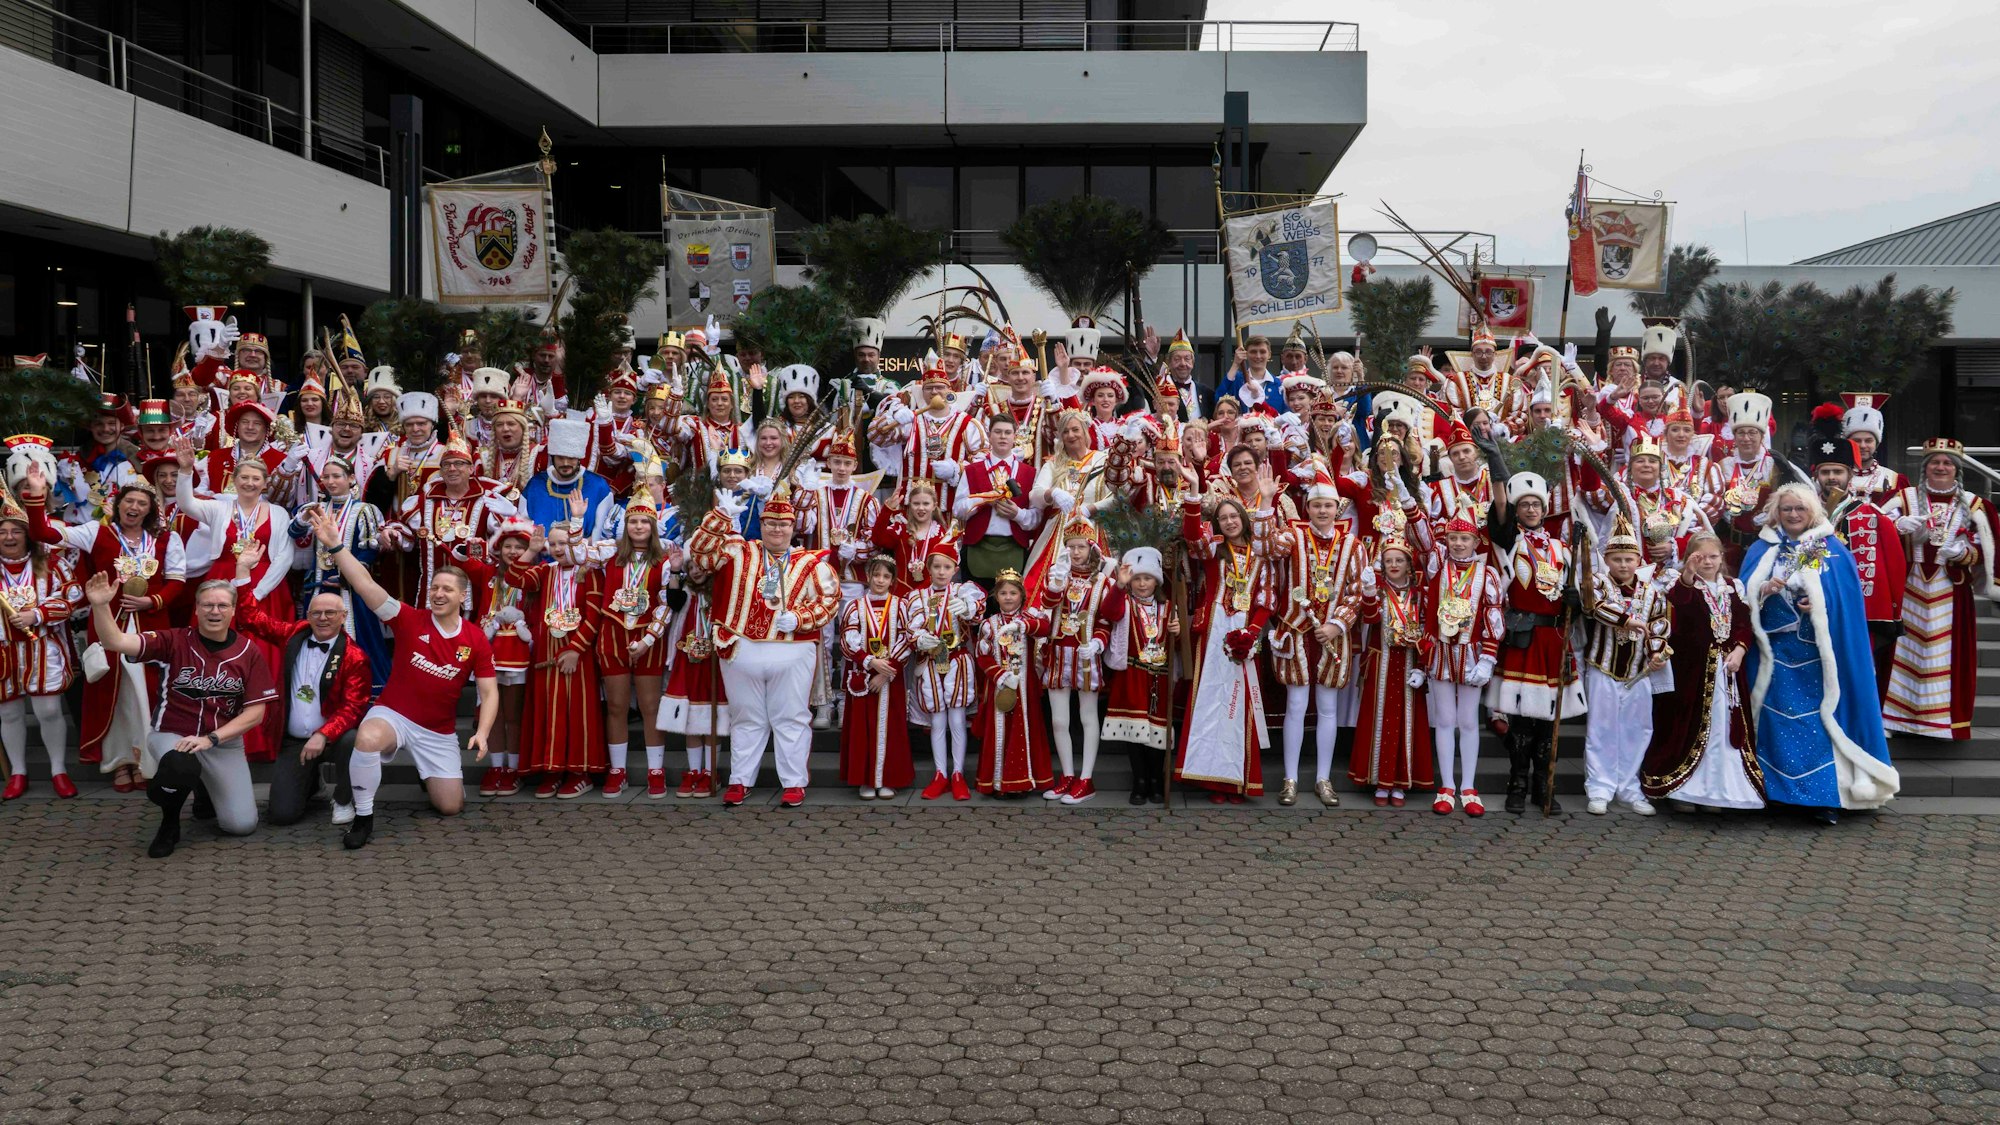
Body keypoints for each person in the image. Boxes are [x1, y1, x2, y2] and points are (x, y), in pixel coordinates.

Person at [305, 506, 499, 849]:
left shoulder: (475, 638)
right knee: (367, 738)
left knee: (450, 806)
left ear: (462, 596)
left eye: (447, 589)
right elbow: (364, 584)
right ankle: (363, 817)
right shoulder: (408, 618)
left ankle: (430, 776)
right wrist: (335, 545)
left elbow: (489, 691)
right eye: (435, 588)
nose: (438, 594)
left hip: (437, 732)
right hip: (394, 716)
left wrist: (482, 733)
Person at [84, 572, 275, 858]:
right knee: (180, 764)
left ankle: (203, 787)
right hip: (172, 735)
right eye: (207, 605)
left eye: (222, 605)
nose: (214, 611)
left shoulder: (249, 651)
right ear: (196, 609)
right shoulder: (174, 640)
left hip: (221, 742)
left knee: (241, 825)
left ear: (233, 610)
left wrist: (211, 739)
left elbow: (255, 713)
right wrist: (100, 605)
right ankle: (169, 823)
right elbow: (115, 642)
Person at [20, 467, 186, 793]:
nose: (134, 507)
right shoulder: (96, 531)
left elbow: (177, 582)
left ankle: (147, 760)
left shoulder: (166, 539)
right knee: (114, 692)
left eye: (142, 503)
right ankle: (119, 762)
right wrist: (36, 495)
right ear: (118, 504)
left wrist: (151, 601)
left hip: (152, 627)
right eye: (129, 501)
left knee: (149, 693)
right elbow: (43, 533)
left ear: (150, 510)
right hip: (109, 624)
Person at [1742, 484, 1900, 823]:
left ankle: (1823, 798)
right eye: (1787, 509)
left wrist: (1819, 606)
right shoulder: (1761, 548)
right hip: (1773, 655)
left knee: (1818, 724)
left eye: (1800, 508)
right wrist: (1762, 591)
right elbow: (1741, 597)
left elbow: (1845, 602)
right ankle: (1776, 794)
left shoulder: (1830, 549)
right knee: (1774, 723)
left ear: (1812, 511)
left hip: (1817, 658)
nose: (1793, 514)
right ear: (1776, 513)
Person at [686, 485, 842, 808]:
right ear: (761, 523)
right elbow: (701, 556)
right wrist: (719, 518)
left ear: (793, 527)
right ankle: (740, 780)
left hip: (792, 650)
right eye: (770, 523)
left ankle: (794, 783)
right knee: (745, 718)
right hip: (741, 648)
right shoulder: (737, 550)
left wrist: (800, 618)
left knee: (792, 717)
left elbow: (830, 600)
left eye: (783, 524)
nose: (776, 529)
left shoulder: (811, 562)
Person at [229, 541, 372, 826]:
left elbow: (353, 708)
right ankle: (312, 783)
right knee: (282, 815)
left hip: (332, 738)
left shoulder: (355, 656)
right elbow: (250, 618)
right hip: (294, 740)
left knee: (353, 740)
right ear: (307, 615)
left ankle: (344, 798)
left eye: (330, 613)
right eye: (316, 613)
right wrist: (243, 571)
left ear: (343, 616)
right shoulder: (294, 634)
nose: (323, 618)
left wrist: (323, 734)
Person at [174, 438, 293, 760]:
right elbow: (187, 504)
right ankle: (209, 728)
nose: (250, 483)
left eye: (256, 478)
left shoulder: (278, 513)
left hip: (265, 589)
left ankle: (258, 741)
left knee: (262, 658)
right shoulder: (219, 507)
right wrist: (185, 470)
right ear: (234, 480)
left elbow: (284, 557)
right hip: (221, 583)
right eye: (244, 477)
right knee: (214, 655)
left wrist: (254, 593)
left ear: (265, 483)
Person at [1882, 439, 2000, 740]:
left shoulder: (1974, 504)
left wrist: (1963, 554)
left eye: (1947, 463)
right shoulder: (1903, 499)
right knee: (1902, 653)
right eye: (1935, 462)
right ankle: (1894, 719)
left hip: (1951, 591)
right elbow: (1877, 534)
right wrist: (1897, 528)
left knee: (1943, 656)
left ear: (1957, 470)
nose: (1941, 467)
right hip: (1907, 588)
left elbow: (1987, 550)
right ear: (1925, 467)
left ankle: (1940, 722)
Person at [1640, 533, 1762, 812]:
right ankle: (1684, 790)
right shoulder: (1682, 583)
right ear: (1689, 559)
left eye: (1713, 556)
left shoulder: (1733, 586)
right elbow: (1679, 604)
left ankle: (1717, 790)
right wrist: (1688, 573)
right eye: (1700, 557)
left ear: (1722, 557)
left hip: (1727, 669)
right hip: (1691, 671)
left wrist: (1740, 650)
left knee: (1723, 728)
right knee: (1688, 725)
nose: (1707, 562)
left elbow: (1744, 624)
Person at [1484, 472, 1583, 814]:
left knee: (1548, 722)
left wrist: (1575, 602)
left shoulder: (1561, 549)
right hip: (1524, 638)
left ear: (1544, 509)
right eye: (1524, 504)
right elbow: (1499, 520)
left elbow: (1575, 599)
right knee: (1522, 720)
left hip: (1554, 640)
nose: (1530, 509)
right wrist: (1498, 472)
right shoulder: (1511, 542)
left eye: (1535, 504)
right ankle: (1517, 785)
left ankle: (1543, 786)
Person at [1268, 468, 1363, 807]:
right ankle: (1290, 778)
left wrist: (1337, 624)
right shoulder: (1292, 536)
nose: (1322, 511)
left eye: (1328, 505)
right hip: (1296, 631)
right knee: (1295, 706)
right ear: (1306, 508)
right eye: (1316, 505)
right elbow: (1267, 548)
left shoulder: (1353, 545)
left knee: (1327, 708)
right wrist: (1266, 503)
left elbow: (1356, 592)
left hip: (1332, 637)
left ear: (1337, 508)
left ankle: (1323, 778)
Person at [1174, 496, 1273, 802]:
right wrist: (1193, 493)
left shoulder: (1261, 555)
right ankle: (1211, 780)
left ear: (1244, 518)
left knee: (1237, 706)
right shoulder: (1213, 549)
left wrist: (1251, 634)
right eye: (1223, 518)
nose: (1230, 522)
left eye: (1234, 516)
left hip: (1245, 637)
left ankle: (1236, 781)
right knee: (1209, 703)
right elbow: (1192, 535)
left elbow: (1267, 600)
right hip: (1213, 633)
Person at [1576, 513, 1671, 817]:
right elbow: (1595, 608)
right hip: (1602, 668)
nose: (1623, 565)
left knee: (1637, 730)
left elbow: (1659, 625)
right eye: (1617, 559)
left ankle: (1630, 789)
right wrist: (1627, 620)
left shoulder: (1651, 591)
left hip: (1638, 672)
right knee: (1601, 730)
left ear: (1638, 560)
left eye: (1629, 559)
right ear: (1607, 560)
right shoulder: (1598, 583)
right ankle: (1600, 789)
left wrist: (1656, 652)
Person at [505, 523, 606, 799]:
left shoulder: (590, 572)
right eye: (554, 544)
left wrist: (575, 650)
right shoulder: (544, 571)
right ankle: (552, 770)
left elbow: (594, 616)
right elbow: (514, 578)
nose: (559, 549)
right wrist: (531, 551)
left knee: (577, 712)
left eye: (564, 543)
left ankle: (580, 773)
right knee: (549, 710)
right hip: (546, 653)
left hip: (578, 656)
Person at [590, 488, 676, 798]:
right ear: (625, 525)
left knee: (651, 706)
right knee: (616, 706)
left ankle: (656, 770)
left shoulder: (665, 559)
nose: (638, 527)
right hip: (612, 635)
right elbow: (573, 554)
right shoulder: (609, 552)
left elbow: (666, 604)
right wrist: (576, 520)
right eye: (633, 521)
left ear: (653, 526)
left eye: (644, 521)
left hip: (648, 638)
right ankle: (618, 770)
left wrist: (649, 640)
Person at [1422, 501, 1504, 816]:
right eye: (1453, 538)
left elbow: (1493, 616)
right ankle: (1446, 786)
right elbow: (1421, 538)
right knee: (1444, 720)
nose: (1458, 543)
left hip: (1472, 654)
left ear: (1476, 541)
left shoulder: (1488, 574)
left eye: (1464, 538)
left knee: (1468, 722)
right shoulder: (1436, 568)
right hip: (1441, 653)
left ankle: (1468, 787)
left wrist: (1488, 658)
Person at [0, 493, 80, 800]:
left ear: (28, 535)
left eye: (16, 531)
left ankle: (58, 770)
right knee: (9, 714)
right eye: (3, 531)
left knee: (48, 710)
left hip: (42, 647)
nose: (9, 537)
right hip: (3, 650)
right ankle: (18, 772)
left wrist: (38, 614)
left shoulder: (52, 563)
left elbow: (72, 596)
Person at [289, 455, 390, 692]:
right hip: (318, 584)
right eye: (326, 477)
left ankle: (362, 689)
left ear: (351, 478)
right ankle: (316, 688)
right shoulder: (316, 509)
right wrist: (303, 518)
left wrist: (350, 575)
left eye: (337, 476)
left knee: (359, 634)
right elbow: (294, 533)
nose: (331, 482)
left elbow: (370, 550)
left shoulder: (364, 510)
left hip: (351, 587)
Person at [1348, 534, 1434, 806]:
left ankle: (1400, 783)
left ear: (1409, 564)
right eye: (1388, 561)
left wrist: (1422, 667)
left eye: (1399, 560)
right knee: (1379, 719)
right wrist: (1369, 593)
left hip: (1409, 662)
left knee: (1407, 721)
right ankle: (1380, 781)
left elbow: (1428, 631)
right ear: (1382, 565)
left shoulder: (1420, 594)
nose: (1394, 565)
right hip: (1380, 664)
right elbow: (1371, 618)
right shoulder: (1379, 590)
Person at [904, 541, 985, 801]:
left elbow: (978, 612)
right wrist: (919, 638)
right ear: (928, 568)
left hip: (958, 660)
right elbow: (910, 629)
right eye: (936, 566)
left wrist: (969, 608)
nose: (941, 572)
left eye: (946, 567)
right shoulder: (917, 596)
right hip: (930, 662)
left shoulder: (963, 590)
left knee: (957, 720)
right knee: (938, 721)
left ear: (955, 569)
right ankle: (940, 774)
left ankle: (958, 774)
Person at [1101, 547, 1180, 806]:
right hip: (1132, 675)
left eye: (1147, 578)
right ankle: (1140, 781)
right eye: (1137, 579)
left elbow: (1180, 647)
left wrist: (1178, 632)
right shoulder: (1125, 603)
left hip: (1159, 677)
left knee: (1157, 732)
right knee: (1134, 732)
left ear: (1157, 581)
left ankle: (1156, 780)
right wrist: (1119, 586)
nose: (1142, 583)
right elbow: (1109, 612)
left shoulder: (1168, 607)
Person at [839, 554, 915, 800]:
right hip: (863, 675)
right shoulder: (855, 606)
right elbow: (847, 640)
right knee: (863, 728)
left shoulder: (900, 606)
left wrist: (887, 671)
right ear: (868, 577)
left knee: (891, 728)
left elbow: (907, 640)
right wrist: (870, 661)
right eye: (876, 575)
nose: (880, 580)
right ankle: (866, 779)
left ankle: (887, 779)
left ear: (893, 580)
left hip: (890, 678)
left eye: (886, 576)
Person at [972, 569, 1054, 797]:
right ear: (996, 597)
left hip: (1026, 688)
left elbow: (1045, 628)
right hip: (999, 687)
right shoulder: (989, 624)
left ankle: (1021, 782)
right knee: (999, 732)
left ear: (1022, 596)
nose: (1008, 597)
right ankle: (998, 782)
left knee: (1025, 729)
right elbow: (982, 656)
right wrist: (999, 675)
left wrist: (1022, 626)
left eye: (1013, 593)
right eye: (1003, 593)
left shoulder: (1029, 618)